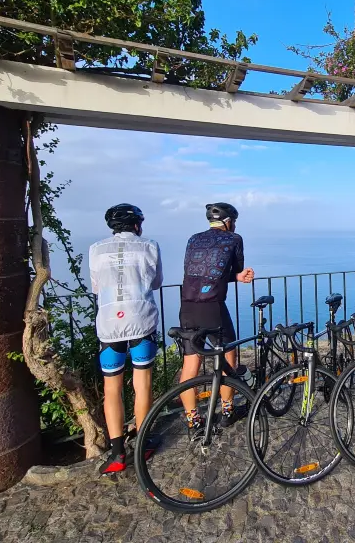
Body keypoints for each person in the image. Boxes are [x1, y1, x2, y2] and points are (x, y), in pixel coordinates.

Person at [90, 204, 163, 474]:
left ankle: (118, 453)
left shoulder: (96, 249)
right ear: (136, 225)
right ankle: (143, 445)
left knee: (112, 388)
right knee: (141, 384)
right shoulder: (150, 246)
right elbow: (156, 282)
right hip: (141, 321)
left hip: (109, 325)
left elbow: (96, 286)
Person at [178, 202, 255, 428]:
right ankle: (227, 411)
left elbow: (197, 272)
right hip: (212, 307)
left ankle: (194, 420)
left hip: (187, 306)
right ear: (229, 222)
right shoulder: (234, 239)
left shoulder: (193, 239)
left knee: (190, 365)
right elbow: (235, 268)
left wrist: (235, 277)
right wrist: (239, 276)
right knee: (228, 358)